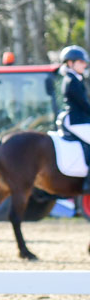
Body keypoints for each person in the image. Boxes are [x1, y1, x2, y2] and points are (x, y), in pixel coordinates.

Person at [58, 45, 90, 193]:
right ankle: (87, 183)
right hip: (76, 120)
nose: (84, 65)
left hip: (80, 119)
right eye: (81, 62)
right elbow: (83, 104)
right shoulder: (71, 81)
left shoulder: (76, 79)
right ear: (70, 63)